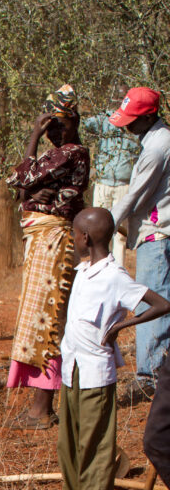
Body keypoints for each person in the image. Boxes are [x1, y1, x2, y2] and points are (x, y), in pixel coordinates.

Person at [51, 208, 170, 490]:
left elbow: (161, 304)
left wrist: (121, 326)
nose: (74, 240)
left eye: (75, 235)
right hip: (72, 371)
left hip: (95, 375)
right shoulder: (83, 271)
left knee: (95, 453)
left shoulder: (115, 276)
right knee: (69, 451)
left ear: (85, 238)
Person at [6, 85, 90, 428]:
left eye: (60, 125)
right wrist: (29, 190)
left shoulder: (72, 153)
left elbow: (19, 178)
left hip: (54, 241)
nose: (54, 132)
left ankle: (42, 410)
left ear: (75, 122)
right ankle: (41, 406)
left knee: (47, 318)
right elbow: (19, 185)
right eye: (48, 127)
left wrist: (33, 139)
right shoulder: (57, 155)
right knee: (39, 317)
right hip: (45, 240)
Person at [109, 87, 170, 397]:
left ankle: (149, 376)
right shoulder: (159, 139)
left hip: (156, 234)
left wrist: (105, 225)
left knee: (152, 302)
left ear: (148, 117)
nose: (128, 126)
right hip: (159, 230)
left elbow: (134, 195)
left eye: (132, 120)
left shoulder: (156, 148)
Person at [83, 86, 141, 266]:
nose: (117, 100)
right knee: (96, 228)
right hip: (103, 183)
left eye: (120, 98)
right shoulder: (104, 119)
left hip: (124, 184)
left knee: (120, 233)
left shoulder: (133, 123)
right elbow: (85, 126)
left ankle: (118, 269)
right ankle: (99, 267)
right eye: (115, 97)